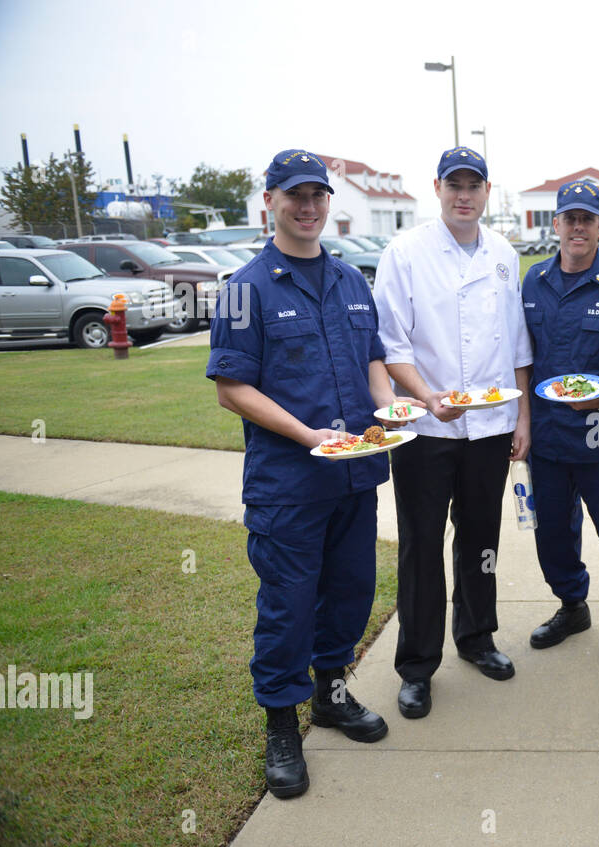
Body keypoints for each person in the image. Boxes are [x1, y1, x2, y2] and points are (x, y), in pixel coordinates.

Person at [207, 149, 408, 799]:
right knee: (288, 608)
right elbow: (232, 387)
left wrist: (391, 408)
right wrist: (305, 433)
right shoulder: (245, 288)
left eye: (318, 195)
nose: (309, 206)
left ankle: (332, 696)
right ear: (270, 201)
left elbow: (374, 359)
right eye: (295, 195)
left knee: (349, 594)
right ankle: (281, 727)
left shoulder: (351, 281)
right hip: (288, 484)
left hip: (354, 475)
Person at [373, 146, 533, 721]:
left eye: (475, 185)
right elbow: (391, 344)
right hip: (425, 428)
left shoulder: (503, 253)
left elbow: (516, 343)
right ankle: (416, 666)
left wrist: (522, 417)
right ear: (437, 188)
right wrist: (424, 396)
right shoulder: (406, 252)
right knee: (420, 544)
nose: (464, 195)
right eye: (454, 185)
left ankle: (476, 636)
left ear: (488, 191)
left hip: (490, 423)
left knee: (481, 537)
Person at [521, 180, 599, 661]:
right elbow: (521, 356)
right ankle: (572, 605)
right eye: (569, 218)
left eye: (587, 219)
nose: (578, 227)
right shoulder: (533, 281)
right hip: (549, 434)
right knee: (552, 530)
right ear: (556, 224)